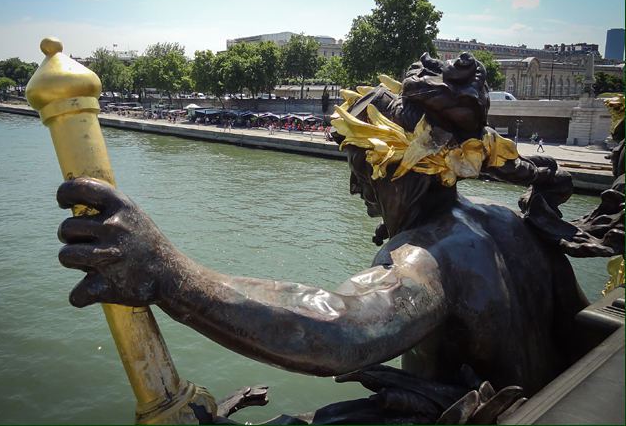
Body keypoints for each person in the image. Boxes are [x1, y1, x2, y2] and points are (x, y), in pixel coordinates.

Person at [55, 53, 609, 422]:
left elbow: (339, 329)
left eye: (356, 167)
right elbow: (583, 327)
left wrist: (169, 274)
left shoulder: (427, 254)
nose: (353, 188)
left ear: (389, 166)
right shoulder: (509, 221)